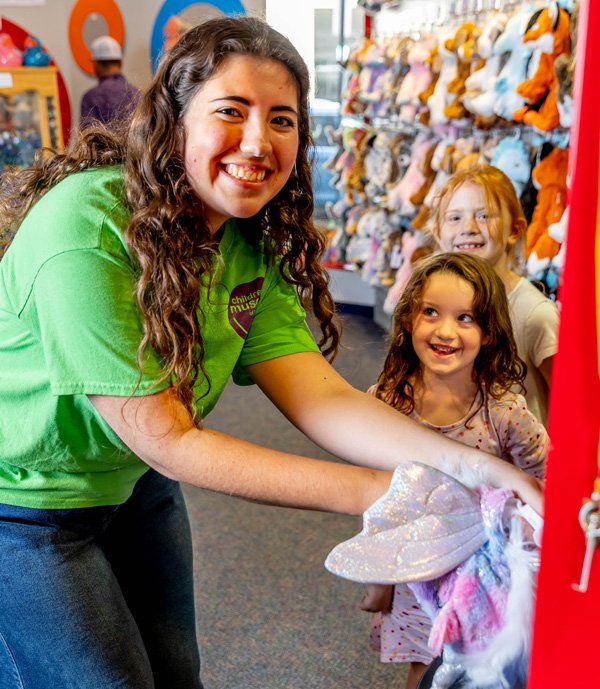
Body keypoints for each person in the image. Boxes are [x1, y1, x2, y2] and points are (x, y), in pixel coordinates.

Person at [0, 17, 541, 689]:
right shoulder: (86, 224)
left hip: (131, 484)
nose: (258, 142)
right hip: (22, 508)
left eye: (282, 119)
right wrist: (387, 491)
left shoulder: (244, 237)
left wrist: (476, 468)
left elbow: (322, 395)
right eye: (232, 111)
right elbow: (169, 438)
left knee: (176, 673)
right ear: (173, 120)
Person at [357, 252, 548, 689]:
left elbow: (546, 477)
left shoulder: (504, 412)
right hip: (412, 576)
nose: (446, 331)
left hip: (484, 582)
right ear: (408, 320)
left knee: (472, 671)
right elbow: (374, 496)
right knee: (424, 667)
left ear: (489, 332)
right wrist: (379, 577)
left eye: (466, 317)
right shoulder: (384, 403)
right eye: (431, 312)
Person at [428, 164, 559, 426]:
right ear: (438, 233)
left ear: (515, 230)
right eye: (455, 218)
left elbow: (569, 400)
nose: (469, 227)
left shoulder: (535, 313)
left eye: (484, 215)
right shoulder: (429, 306)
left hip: (517, 461)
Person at [80, 34, 140, 127]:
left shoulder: (90, 98)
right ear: (120, 63)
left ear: (97, 65)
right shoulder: (138, 94)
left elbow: (88, 138)